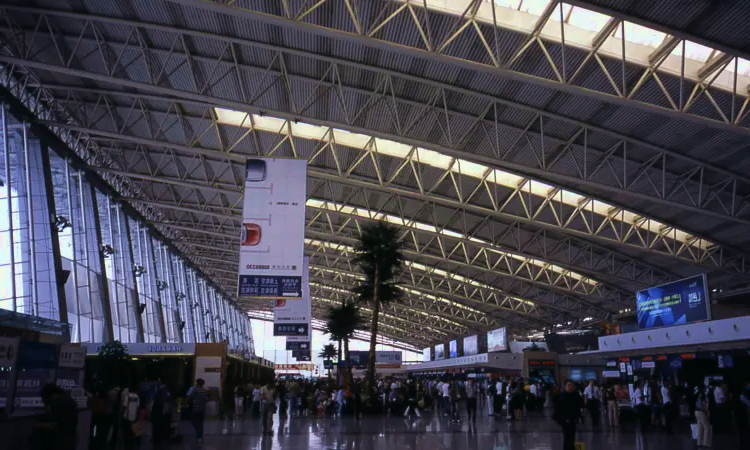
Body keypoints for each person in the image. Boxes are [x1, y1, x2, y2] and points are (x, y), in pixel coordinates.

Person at [29, 384, 79, 450]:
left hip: (60, 441)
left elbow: (55, 424)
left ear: (51, 395)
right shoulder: (68, 401)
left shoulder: (60, 403)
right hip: (68, 441)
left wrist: (38, 425)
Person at [554, 380, 584, 450]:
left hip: (573, 419)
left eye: (571, 385)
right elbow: (558, 406)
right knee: (567, 437)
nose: (570, 387)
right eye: (568, 385)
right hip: (565, 420)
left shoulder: (576, 395)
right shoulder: (562, 395)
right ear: (565, 386)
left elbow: (580, 405)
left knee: (572, 437)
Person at [150, 378, 172, 446]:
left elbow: (156, 401)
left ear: (161, 382)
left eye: (159, 381)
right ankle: (163, 438)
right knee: (163, 425)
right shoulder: (167, 390)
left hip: (158, 410)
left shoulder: (159, 390)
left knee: (156, 425)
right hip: (166, 410)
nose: (157, 382)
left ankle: (156, 439)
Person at [188, 378, 210, 443]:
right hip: (203, 409)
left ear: (197, 383)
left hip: (196, 408)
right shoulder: (205, 390)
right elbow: (208, 398)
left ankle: (199, 435)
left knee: (194, 421)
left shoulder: (195, 390)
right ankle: (200, 435)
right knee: (200, 422)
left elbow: (190, 397)